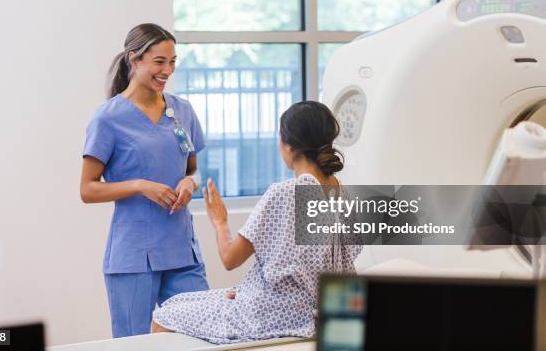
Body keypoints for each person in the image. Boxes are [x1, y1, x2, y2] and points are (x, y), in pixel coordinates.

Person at [151, 101, 362, 344]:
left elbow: (230, 259)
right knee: (186, 300)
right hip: (319, 311)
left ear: (289, 146)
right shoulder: (341, 193)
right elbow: (314, 268)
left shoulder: (284, 193)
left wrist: (220, 222)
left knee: (165, 314)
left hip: (271, 315)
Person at [80, 23, 208, 337]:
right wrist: (139, 184)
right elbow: (88, 189)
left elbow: (194, 170)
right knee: (133, 344)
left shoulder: (182, 111)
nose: (168, 70)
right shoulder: (109, 118)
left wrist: (190, 183)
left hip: (182, 249)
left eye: (173, 62)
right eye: (159, 62)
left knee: (202, 333)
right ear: (134, 60)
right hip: (134, 255)